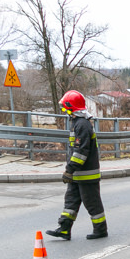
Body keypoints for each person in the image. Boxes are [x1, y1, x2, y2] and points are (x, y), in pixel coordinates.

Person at [45, 90, 108, 241]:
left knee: (92, 202)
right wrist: (71, 171)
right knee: (71, 200)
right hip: (77, 173)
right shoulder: (76, 123)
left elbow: (81, 151)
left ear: (71, 107)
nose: (63, 110)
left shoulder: (82, 125)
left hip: (86, 173)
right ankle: (64, 229)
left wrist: (69, 169)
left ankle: (100, 230)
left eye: (65, 107)